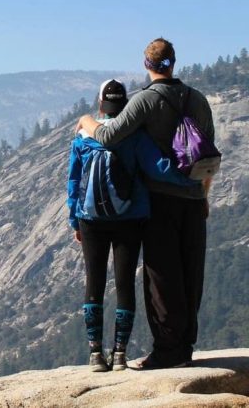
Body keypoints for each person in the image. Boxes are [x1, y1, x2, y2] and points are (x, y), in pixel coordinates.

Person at [76, 38, 215, 369]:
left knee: (162, 276)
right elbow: (208, 154)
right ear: (174, 62)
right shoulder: (198, 100)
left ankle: (168, 351)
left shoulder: (144, 101)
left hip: (160, 201)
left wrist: (86, 121)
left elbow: (109, 137)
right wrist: (204, 195)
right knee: (190, 273)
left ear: (146, 64)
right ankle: (184, 347)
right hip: (194, 199)